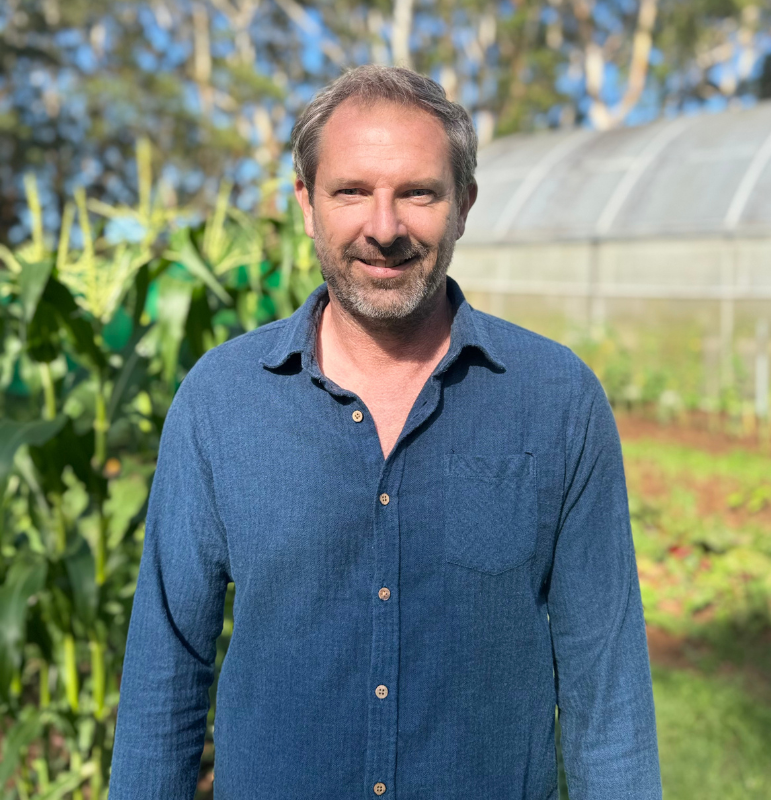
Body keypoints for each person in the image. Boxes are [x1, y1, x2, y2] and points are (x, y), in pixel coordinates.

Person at [108, 65, 661, 800]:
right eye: (351, 191)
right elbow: (165, 677)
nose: (384, 227)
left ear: (464, 205)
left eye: (418, 192)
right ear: (306, 202)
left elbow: (606, 688)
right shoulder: (220, 402)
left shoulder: (557, 402)